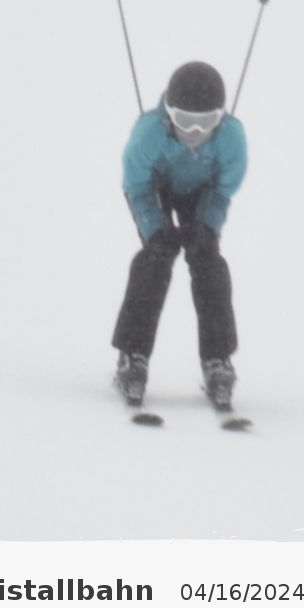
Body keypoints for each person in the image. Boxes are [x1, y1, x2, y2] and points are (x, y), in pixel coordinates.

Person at [112, 62, 248, 421]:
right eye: (185, 121)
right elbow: (137, 187)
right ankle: (132, 355)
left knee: (209, 263)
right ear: (168, 113)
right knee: (154, 261)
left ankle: (217, 359)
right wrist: (156, 229)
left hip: (202, 193)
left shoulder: (231, 140)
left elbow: (222, 190)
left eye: (206, 123)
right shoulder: (148, 136)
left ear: (221, 117)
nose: (195, 133)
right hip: (154, 190)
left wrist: (207, 227)